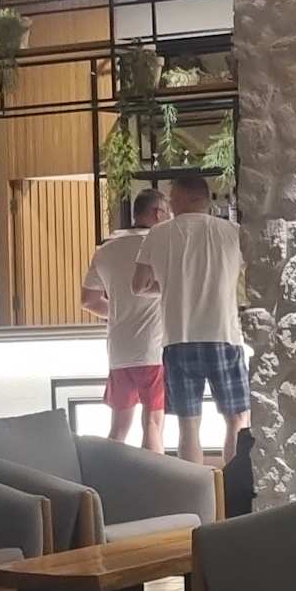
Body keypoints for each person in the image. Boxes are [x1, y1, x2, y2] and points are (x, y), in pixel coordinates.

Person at [130, 173, 246, 469]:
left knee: (188, 425)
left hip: (178, 339)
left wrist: (170, 285)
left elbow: (139, 285)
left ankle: (199, 493)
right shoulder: (232, 232)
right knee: (235, 420)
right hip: (224, 335)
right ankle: (233, 490)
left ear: (183, 197)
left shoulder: (158, 234)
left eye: (171, 197)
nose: (169, 203)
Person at [80, 187, 171, 452]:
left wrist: (120, 311)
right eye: (168, 212)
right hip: (152, 349)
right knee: (152, 423)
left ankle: (109, 474)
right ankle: (153, 476)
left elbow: (88, 300)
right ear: (157, 213)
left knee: (119, 427)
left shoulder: (106, 249)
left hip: (119, 351)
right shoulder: (161, 246)